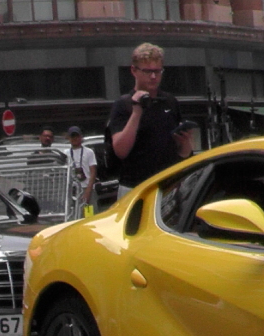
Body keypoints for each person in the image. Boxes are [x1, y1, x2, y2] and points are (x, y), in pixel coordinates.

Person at [107, 42, 193, 197]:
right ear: (134, 70)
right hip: (135, 188)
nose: (154, 77)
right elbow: (120, 150)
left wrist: (185, 142)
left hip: (168, 184)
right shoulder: (123, 104)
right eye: (148, 72)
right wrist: (136, 111)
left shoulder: (170, 102)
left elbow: (183, 154)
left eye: (158, 71)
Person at [65, 126, 98, 220]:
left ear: (81, 137)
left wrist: (88, 191)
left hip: (87, 188)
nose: (74, 138)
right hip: (73, 190)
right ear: (69, 138)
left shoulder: (89, 152)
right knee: (74, 216)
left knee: (90, 217)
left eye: (77, 136)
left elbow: (93, 173)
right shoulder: (66, 153)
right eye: (72, 136)